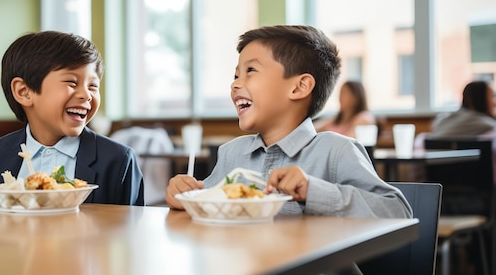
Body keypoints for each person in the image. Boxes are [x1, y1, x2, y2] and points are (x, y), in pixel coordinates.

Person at [165, 25, 411, 219]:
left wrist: (313, 191)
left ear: (299, 87)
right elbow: (204, 201)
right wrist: (184, 195)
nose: (235, 84)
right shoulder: (232, 153)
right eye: (236, 75)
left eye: (251, 71)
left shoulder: (335, 151)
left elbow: (397, 211)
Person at [0, 31, 144, 206]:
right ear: (24, 92)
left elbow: (131, 228)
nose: (86, 95)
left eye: (93, 85)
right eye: (72, 82)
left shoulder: (118, 160)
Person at [429, 80, 496, 137]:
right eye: (491, 96)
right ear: (480, 100)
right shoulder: (485, 124)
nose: (494, 103)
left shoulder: (443, 121)